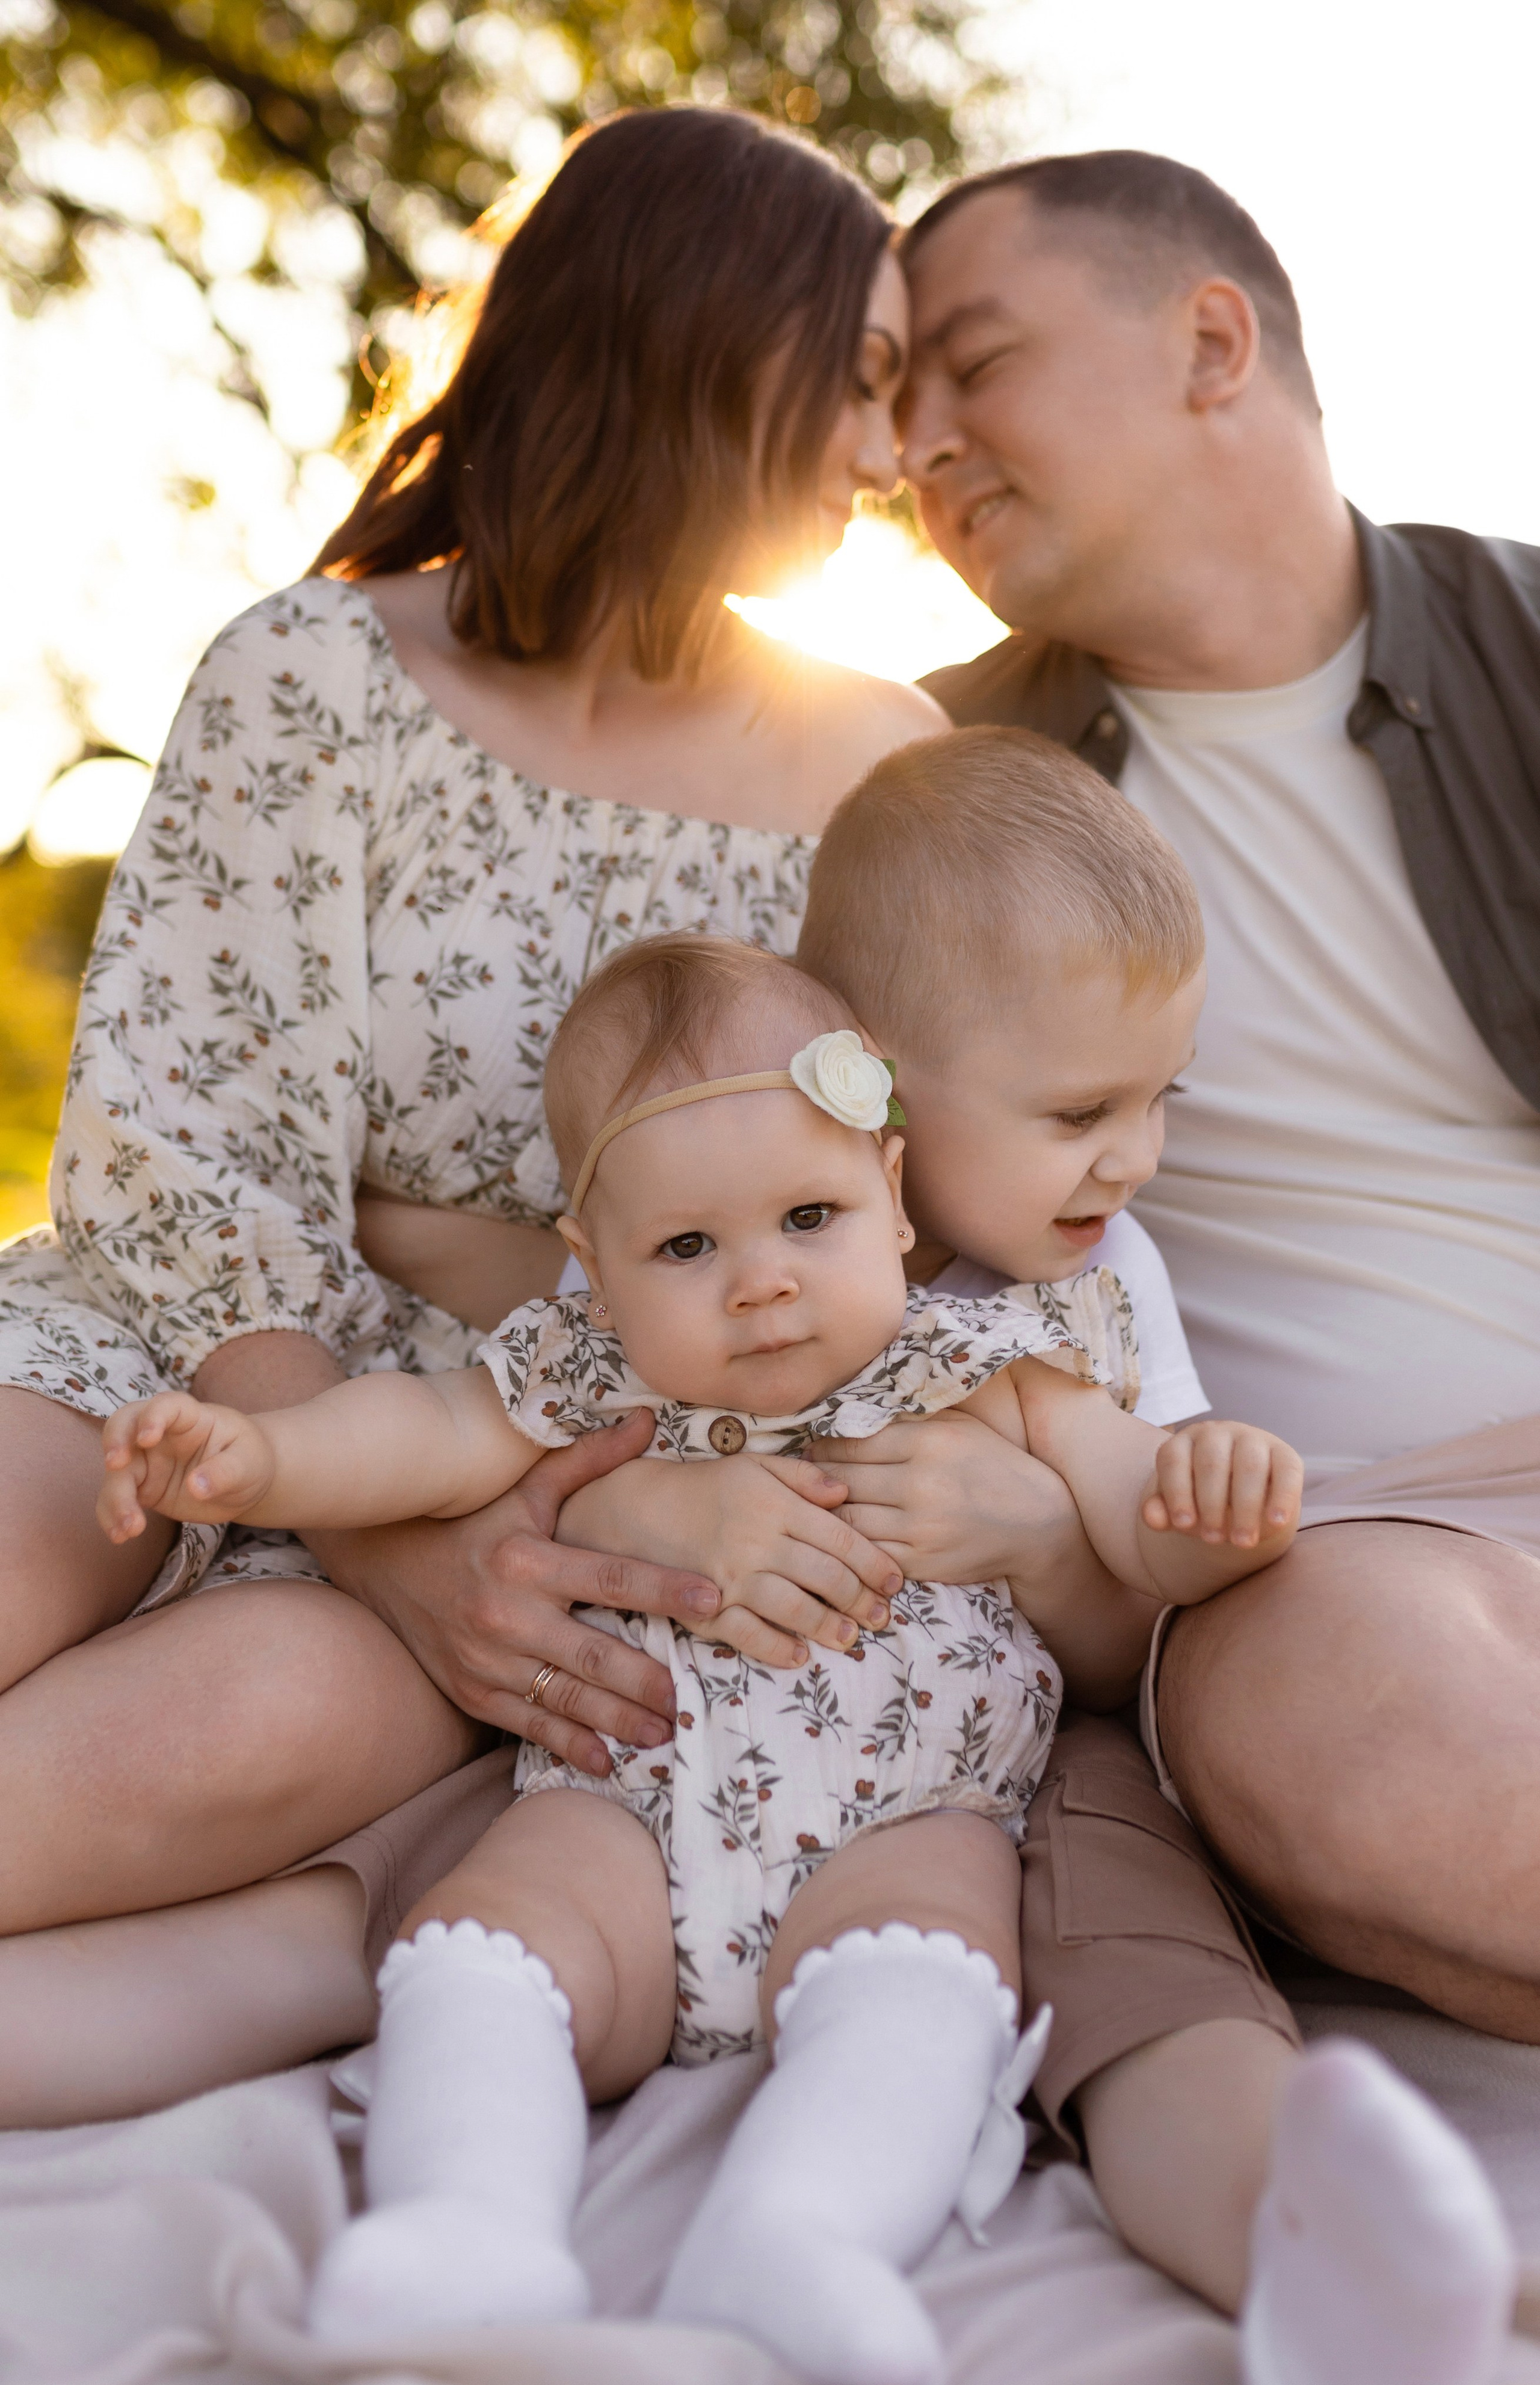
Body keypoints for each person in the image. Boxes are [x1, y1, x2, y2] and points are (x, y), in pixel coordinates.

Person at [0, 105, 952, 2110]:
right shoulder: (309, 673)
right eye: (859, 381)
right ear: (700, 336)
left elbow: (866, 1201)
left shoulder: (880, 766)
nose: (890, 459)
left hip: (534, 1456)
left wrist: (450, 1496)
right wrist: (351, 1512)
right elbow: (187, 1152)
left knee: (230, 1733)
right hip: (156, 1354)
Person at [99, 925, 1307, 2385]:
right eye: (687, 1247)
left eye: (809, 1215)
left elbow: (1140, 1519)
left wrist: (1218, 1498)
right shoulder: (577, 1373)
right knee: (485, 1943)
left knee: (928, 1973)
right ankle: (464, 2224)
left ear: (894, 1197)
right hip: (624, 1805)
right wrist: (264, 1452)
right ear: (592, 1270)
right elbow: (411, 1437)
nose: (759, 1284)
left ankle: (796, 2233)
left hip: (904, 1816)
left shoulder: (990, 1362)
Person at [896, 155, 1540, 2054]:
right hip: (1334, 1547)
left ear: (1210, 342)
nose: (912, 440)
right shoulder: (915, 784)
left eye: (974, 362)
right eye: (894, 398)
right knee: (1344, 1734)